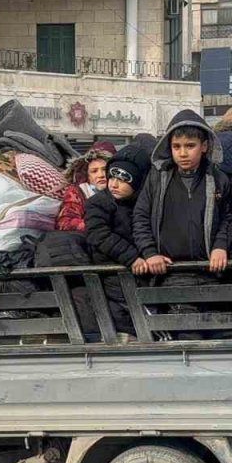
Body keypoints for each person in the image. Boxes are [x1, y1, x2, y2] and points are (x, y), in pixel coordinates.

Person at [133, 110, 230, 277]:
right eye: (176, 146)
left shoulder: (219, 179)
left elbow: (228, 217)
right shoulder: (156, 178)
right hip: (166, 271)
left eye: (190, 146)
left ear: (204, 146)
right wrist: (150, 252)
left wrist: (220, 246)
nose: (183, 153)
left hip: (210, 270)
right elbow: (140, 217)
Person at [84, 144, 152, 336]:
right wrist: (132, 258)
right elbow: (98, 234)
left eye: (123, 180)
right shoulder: (98, 203)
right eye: (112, 176)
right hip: (110, 273)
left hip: (141, 274)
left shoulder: (145, 204)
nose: (113, 184)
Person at [57, 141, 117, 232]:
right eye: (94, 171)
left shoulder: (125, 190)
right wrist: (97, 226)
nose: (100, 175)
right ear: (88, 176)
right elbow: (65, 222)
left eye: (105, 169)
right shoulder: (78, 192)